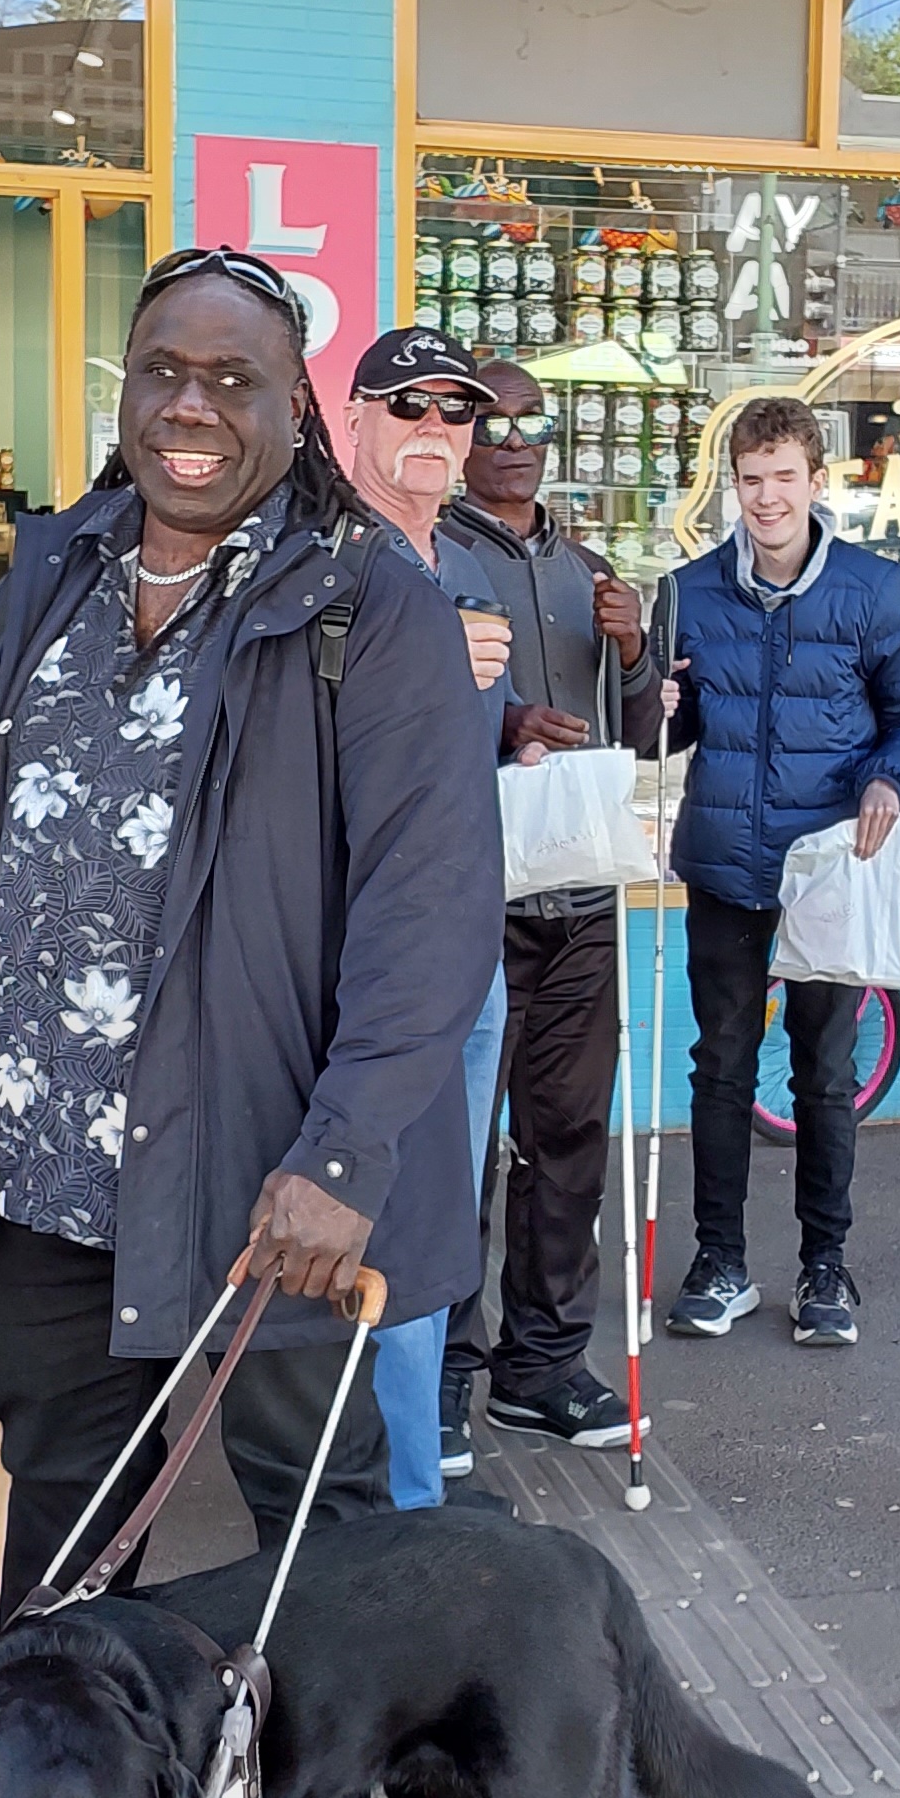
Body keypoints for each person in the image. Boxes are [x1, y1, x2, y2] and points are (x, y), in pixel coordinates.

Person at [0, 247, 499, 1798]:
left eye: (234, 379)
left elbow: (431, 904)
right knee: (64, 1507)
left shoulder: (362, 604)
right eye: (162, 372)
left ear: (293, 408)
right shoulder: (45, 569)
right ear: (123, 386)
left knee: (315, 1531)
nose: (191, 407)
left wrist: (344, 1157)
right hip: (45, 1164)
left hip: (267, 1181)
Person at [663, 395, 900, 1348]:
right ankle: (722, 1261)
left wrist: (892, 784)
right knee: (722, 1069)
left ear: (818, 482)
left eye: (785, 476)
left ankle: (826, 1265)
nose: (768, 496)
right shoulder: (690, 591)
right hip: (726, 864)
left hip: (832, 863)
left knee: (825, 1072)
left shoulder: (872, 588)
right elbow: (680, 724)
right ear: (731, 487)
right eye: (751, 479)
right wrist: (653, 700)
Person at [441, 357, 667, 1462]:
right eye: (490, 422)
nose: (514, 440)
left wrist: (630, 648)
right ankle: (439, 1373)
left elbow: (649, 735)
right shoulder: (424, 558)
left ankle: (540, 1367)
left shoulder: (590, 568)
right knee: (457, 1145)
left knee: (567, 1135)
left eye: (533, 423)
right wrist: (501, 720)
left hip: (577, 886)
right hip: (464, 894)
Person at [341, 325, 515, 1507]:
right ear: (349, 415)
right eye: (406, 407)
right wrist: (420, 661)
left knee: (437, 1230)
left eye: (454, 412)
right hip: (365, 954)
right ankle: (387, 1503)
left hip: (467, 946)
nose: (433, 432)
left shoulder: (465, 564)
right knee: (370, 1223)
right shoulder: (316, 560)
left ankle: (411, 1487)